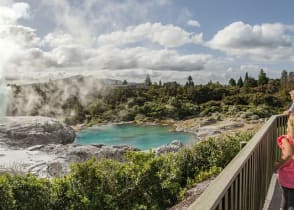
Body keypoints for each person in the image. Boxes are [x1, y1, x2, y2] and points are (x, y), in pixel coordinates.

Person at [276, 105, 294, 209]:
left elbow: (287, 156)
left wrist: (276, 166)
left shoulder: (286, 140)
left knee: (286, 200)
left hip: (286, 178)